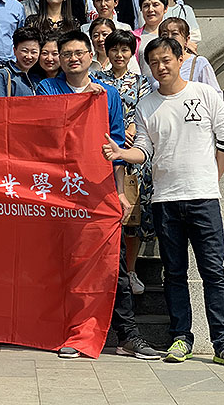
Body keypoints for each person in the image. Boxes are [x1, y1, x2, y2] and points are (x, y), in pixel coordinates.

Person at [102, 37, 224, 368]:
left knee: (213, 272)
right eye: (153, 62)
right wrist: (122, 153)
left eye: (166, 59)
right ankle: (181, 337)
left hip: (203, 200)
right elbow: (144, 150)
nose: (160, 67)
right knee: (174, 273)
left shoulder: (205, 94)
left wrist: (211, 178)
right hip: (165, 201)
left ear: (181, 59)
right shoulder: (147, 105)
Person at [37, 31, 160, 361]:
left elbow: (115, 146)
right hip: (60, 191)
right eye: (66, 54)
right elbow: (47, 130)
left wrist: (119, 193)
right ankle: (71, 331)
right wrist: (82, 103)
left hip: (97, 188)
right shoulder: (47, 88)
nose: (73, 59)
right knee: (66, 263)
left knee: (112, 265)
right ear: (59, 59)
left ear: (91, 56)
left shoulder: (109, 94)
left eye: (79, 52)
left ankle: (128, 335)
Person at [95, 29, 153, 297]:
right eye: (114, 49)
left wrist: (132, 129)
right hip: (105, 152)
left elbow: (145, 112)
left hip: (134, 154)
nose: (119, 54)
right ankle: (108, 271)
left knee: (133, 218)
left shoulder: (141, 82)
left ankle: (130, 270)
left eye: (125, 50)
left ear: (132, 53)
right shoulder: (97, 80)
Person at [158, 17, 222, 96]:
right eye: (164, 35)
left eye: (174, 34)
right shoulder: (156, 64)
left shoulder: (199, 63)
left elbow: (215, 94)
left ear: (186, 39)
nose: (169, 38)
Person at [0, 26, 42, 97]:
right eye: (24, 51)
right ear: (14, 50)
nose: (29, 56)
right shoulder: (3, 76)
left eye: (33, 52)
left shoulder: (36, 78)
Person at [133, 0, 169, 82]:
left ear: (165, 8)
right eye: (146, 6)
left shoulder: (172, 36)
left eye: (155, 5)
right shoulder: (134, 37)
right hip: (143, 87)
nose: (150, 9)